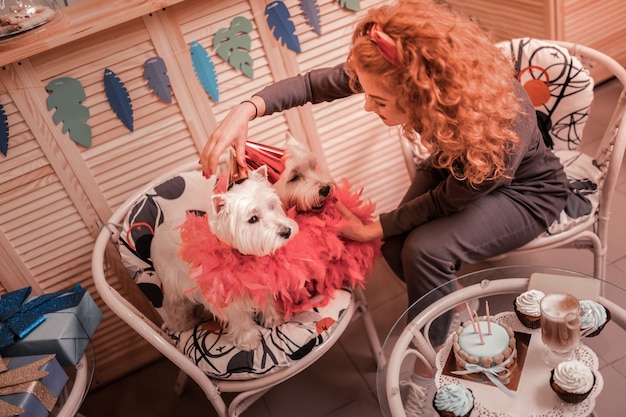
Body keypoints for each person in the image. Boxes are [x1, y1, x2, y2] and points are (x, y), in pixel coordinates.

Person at [201, 1, 569, 414]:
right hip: (457, 169)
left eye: (378, 101)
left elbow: (447, 201)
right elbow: (309, 86)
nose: (366, 106)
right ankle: (453, 310)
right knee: (396, 246)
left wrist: (372, 228)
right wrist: (245, 109)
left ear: (422, 97)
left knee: (424, 250)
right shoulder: (398, 73)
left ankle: (432, 370)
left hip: (527, 191)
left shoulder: (502, 132)